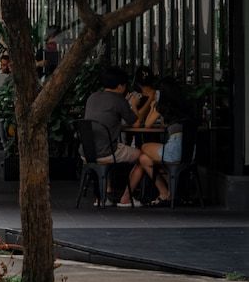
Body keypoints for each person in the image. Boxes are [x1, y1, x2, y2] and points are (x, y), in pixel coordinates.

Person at [83, 65, 151, 206]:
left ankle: (102, 197)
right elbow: (137, 124)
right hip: (107, 151)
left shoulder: (92, 97)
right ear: (120, 86)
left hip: (87, 151)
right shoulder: (118, 100)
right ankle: (126, 197)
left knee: (105, 153)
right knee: (143, 157)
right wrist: (133, 104)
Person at [133, 76, 194, 205]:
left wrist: (153, 105)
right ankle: (165, 193)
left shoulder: (163, 106)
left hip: (175, 151)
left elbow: (148, 124)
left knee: (144, 147)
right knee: (144, 159)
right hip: (190, 152)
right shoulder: (185, 106)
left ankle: (166, 192)